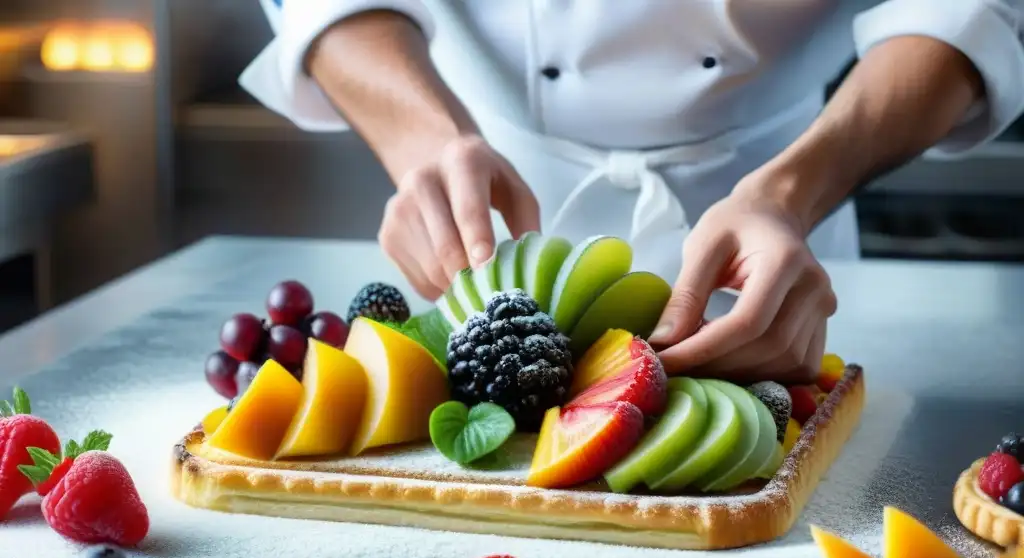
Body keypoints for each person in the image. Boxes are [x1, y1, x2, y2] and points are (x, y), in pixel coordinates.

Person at [242, 1, 1024, 382]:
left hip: (783, 234)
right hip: (499, 213)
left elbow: (970, 8)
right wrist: (426, 141)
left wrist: (790, 193)